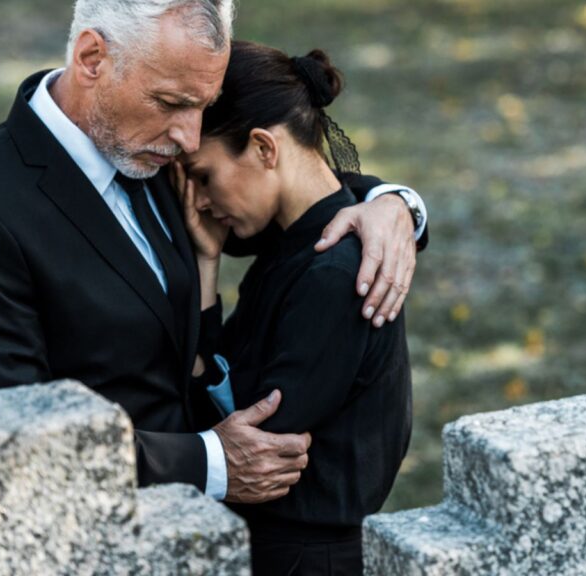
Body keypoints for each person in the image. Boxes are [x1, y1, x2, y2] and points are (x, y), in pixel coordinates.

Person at [0, 0, 427, 505]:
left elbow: (293, 189)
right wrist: (210, 463)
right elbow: (12, 443)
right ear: (93, 59)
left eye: (203, 106)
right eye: (172, 103)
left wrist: (393, 205)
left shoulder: (159, 147)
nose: (190, 136)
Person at [178, 41, 412, 575]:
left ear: (264, 147)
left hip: (307, 558)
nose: (199, 201)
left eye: (202, 175)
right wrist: (206, 266)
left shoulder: (336, 273)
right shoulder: (294, 244)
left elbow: (251, 440)